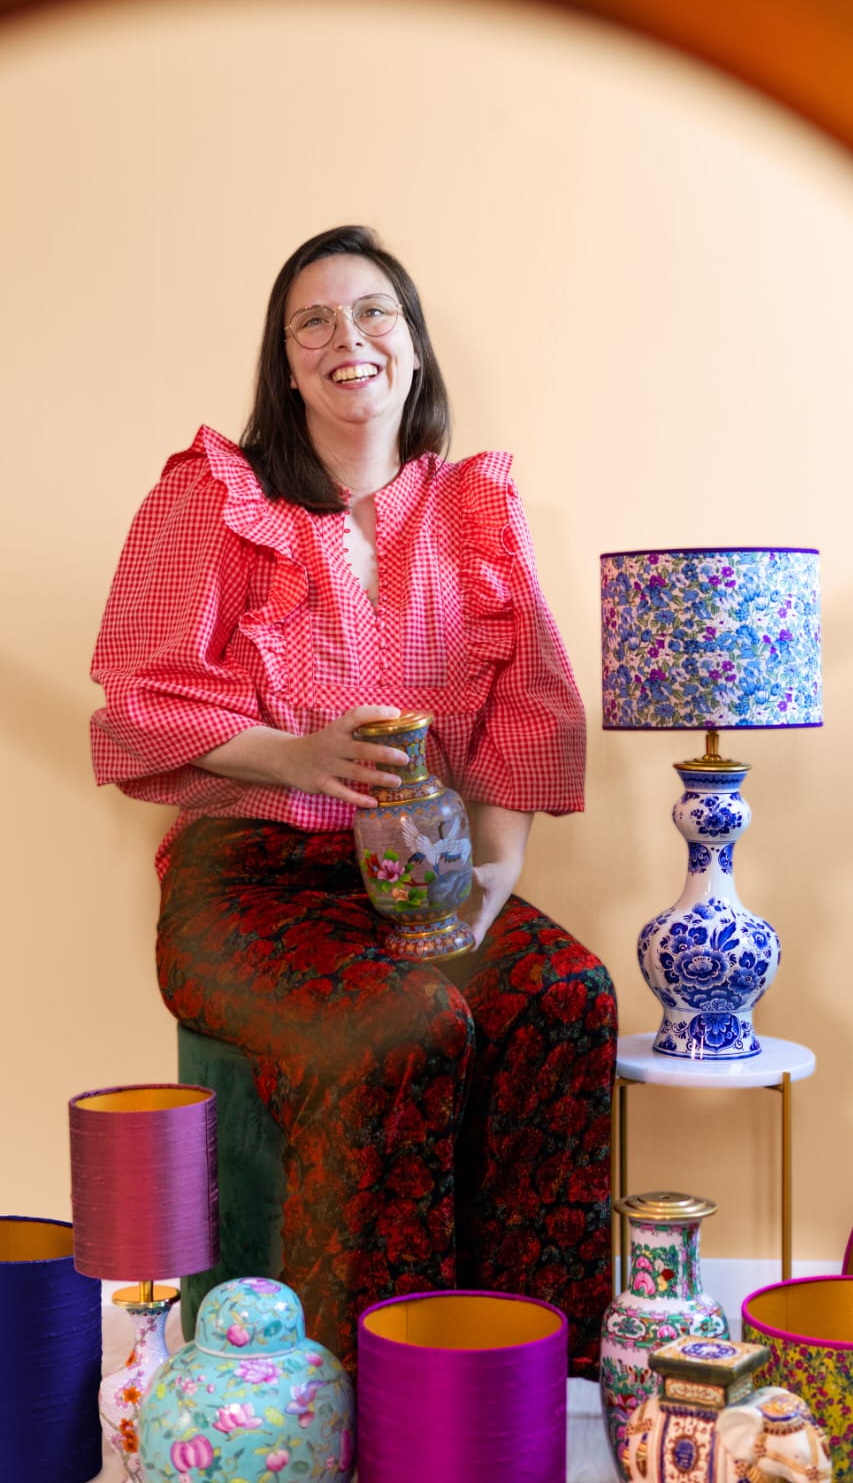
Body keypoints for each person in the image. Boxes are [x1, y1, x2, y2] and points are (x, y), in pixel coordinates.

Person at [90, 224, 617, 1376]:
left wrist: (498, 870)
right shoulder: (215, 498)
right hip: (252, 884)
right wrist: (296, 757)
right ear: (285, 365)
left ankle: (530, 1367)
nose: (349, 337)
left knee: (565, 995)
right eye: (313, 321)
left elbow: (528, 706)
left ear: (413, 346)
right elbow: (139, 703)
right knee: (408, 1027)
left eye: (375, 311)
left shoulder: (475, 509)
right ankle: (374, 1377)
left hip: (427, 876)